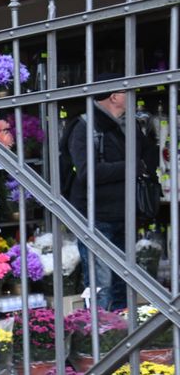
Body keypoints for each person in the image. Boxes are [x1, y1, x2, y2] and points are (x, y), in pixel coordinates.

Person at [64, 74, 157, 311]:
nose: (134, 97)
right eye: (128, 92)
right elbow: (88, 172)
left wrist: (142, 165)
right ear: (115, 97)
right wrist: (132, 166)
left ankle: (120, 335)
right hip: (95, 215)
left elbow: (149, 155)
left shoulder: (131, 124)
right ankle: (99, 337)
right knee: (100, 283)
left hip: (125, 212)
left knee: (123, 281)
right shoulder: (83, 125)